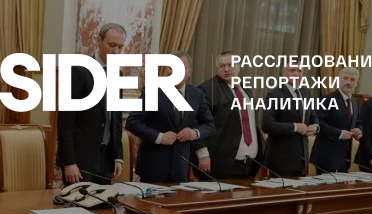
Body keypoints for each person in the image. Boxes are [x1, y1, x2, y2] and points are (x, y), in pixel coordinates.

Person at [126, 51, 214, 183]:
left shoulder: (196, 94)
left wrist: (195, 133)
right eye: (170, 67)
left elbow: (209, 125)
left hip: (181, 167)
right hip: (153, 166)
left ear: (189, 72)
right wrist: (159, 137)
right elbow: (132, 122)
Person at [57, 23, 126, 185]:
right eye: (112, 45)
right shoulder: (78, 70)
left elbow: (116, 119)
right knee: (78, 201)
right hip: (81, 159)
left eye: (120, 47)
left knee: (104, 201)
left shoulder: (118, 74)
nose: (116, 51)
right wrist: (69, 162)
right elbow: (66, 122)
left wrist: (118, 157)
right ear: (98, 41)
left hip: (106, 158)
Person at [195, 51, 263, 179]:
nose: (226, 69)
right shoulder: (207, 89)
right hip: (221, 164)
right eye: (222, 66)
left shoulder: (246, 89)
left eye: (230, 65)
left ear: (239, 66)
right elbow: (196, 123)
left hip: (250, 164)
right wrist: (202, 154)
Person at [261, 62, 319, 177]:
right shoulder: (275, 94)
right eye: (292, 70)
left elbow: (313, 116)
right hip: (281, 160)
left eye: (299, 71)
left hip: (302, 160)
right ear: (284, 74)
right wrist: (295, 127)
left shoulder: (306, 92)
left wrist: (315, 127)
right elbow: (267, 125)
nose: (296, 74)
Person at [310, 67, 362, 173]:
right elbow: (319, 122)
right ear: (338, 80)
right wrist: (339, 133)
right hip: (326, 157)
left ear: (357, 83)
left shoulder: (355, 102)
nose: (348, 82)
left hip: (345, 158)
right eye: (345, 78)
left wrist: (359, 130)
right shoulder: (327, 99)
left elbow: (358, 122)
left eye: (352, 79)